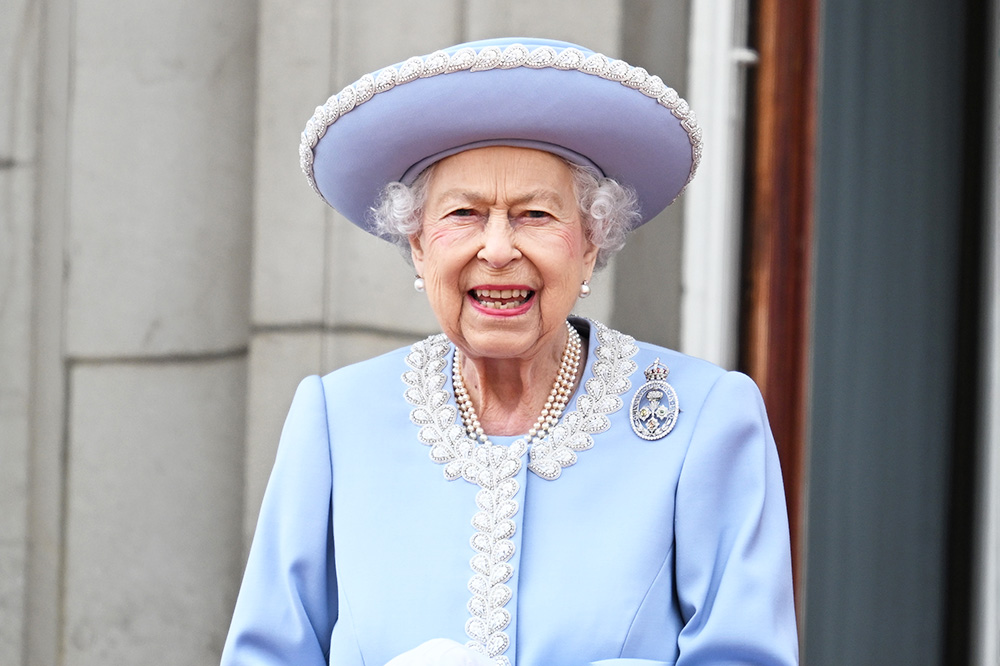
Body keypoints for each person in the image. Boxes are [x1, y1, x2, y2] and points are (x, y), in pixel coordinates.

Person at [221, 37, 798, 666]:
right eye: (464, 213)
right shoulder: (337, 418)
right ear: (419, 247)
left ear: (590, 243)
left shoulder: (704, 419)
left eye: (534, 215)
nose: (497, 249)